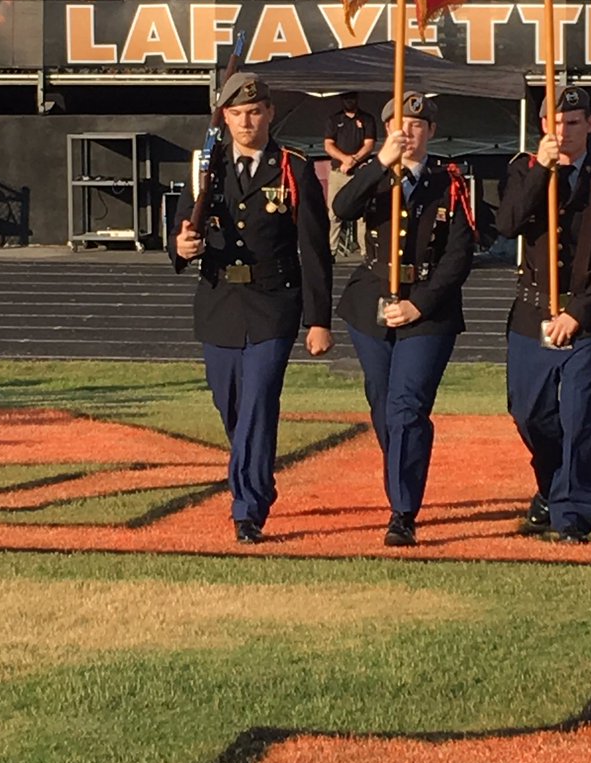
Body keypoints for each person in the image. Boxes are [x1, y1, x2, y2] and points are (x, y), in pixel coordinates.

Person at [172, 72, 333, 543]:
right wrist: (181, 246)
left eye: (255, 112)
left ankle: (247, 507)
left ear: (270, 114)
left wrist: (318, 320)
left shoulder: (294, 168)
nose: (246, 122)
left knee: (259, 404)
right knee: (232, 407)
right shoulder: (206, 166)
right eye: (237, 114)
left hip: (272, 304)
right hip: (220, 303)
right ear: (224, 117)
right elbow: (181, 227)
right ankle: (257, 480)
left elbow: (314, 250)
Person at [331, 91, 475, 547]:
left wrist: (421, 303)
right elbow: (343, 208)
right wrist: (377, 162)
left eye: (416, 125)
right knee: (382, 403)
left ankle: (403, 509)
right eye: (398, 123)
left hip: (426, 307)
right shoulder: (375, 175)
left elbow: (459, 255)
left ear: (430, 131)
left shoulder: (449, 181)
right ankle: (401, 477)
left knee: (407, 406)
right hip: (371, 300)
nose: (407, 132)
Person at [494, 86, 591, 542]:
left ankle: (572, 515)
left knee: (578, 418)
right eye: (555, 122)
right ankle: (552, 488)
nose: (564, 130)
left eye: (574, 122)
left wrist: (577, 313)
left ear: (590, 125)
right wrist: (542, 169)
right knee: (529, 414)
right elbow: (509, 223)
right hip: (532, 312)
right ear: (542, 127)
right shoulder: (523, 169)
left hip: (587, 319)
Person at [323, 92, 377, 257]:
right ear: (341, 100)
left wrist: (353, 160)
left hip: (360, 172)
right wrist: (345, 159)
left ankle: (366, 252)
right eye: (346, 99)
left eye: (352, 98)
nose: (349, 101)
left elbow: (369, 145)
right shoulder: (334, 120)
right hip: (338, 172)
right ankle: (330, 251)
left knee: (364, 215)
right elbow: (328, 145)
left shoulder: (367, 119)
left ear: (357, 99)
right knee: (333, 213)